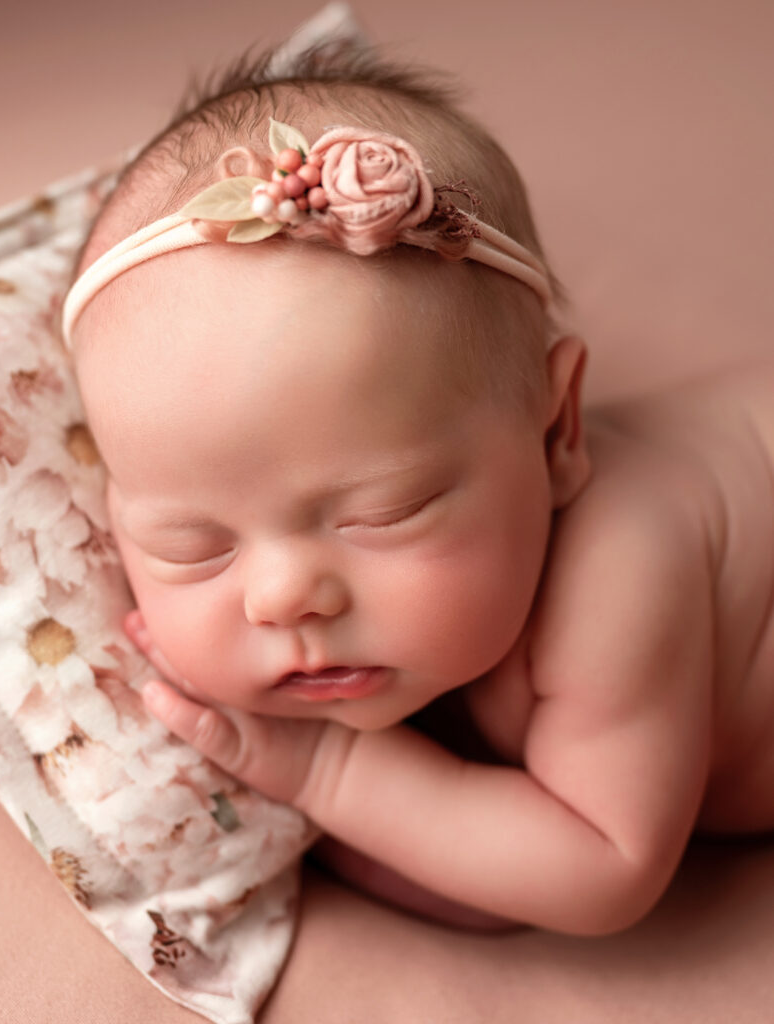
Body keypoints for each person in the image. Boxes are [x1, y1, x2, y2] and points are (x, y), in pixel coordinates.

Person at [59, 44, 774, 936]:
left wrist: (326, 774)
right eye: (192, 545)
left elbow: (598, 868)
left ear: (557, 433)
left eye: (381, 514)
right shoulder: (467, 554)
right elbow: (487, 879)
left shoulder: (625, 559)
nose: (284, 597)